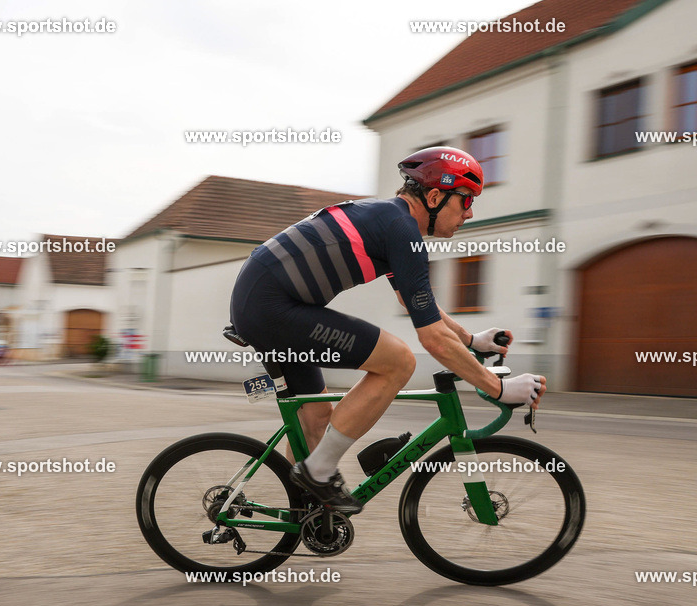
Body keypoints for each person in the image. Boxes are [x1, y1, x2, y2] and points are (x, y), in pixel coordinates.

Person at [229, 146, 545, 514]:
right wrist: (499, 388)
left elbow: (417, 304)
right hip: (272, 309)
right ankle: (317, 473)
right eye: (465, 201)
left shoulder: (389, 221)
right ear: (434, 196)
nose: (469, 213)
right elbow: (431, 340)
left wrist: (471, 339)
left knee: (315, 421)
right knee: (398, 360)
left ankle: (303, 516)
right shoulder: (400, 229)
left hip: (266, 306)